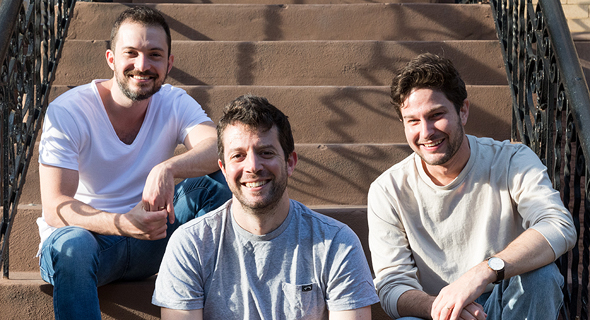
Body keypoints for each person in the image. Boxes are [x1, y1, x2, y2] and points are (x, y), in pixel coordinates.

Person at [37, 6, 231, 319]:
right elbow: (56, 207)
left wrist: (167, 167)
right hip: (89, 247)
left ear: (169, 63)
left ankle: (209, 297)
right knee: (73, 245)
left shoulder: (173, 101)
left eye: (155, 54)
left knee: (216, 183)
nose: (143, 65)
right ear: (111, 59)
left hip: (152, 237)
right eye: (131, 53)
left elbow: (220, 148)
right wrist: (122, 223)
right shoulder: (69, 112)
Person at [367, 53, 576, 320]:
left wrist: (484, 271)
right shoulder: (388, 190)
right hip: (441, 312)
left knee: (542, 277)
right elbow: (392, 285)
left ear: (463, 111)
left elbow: (558, 225)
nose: (426, 131)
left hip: (508, 302)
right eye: (413, 121)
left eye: (436, 115)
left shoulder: (512, 160)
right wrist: (442, 306)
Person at [152, 94, 380, 319]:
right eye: (238, 155)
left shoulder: (336, 243)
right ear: (223, 169)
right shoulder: (191, 244)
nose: (252, 166)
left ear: (290, 163)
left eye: (266, 153)